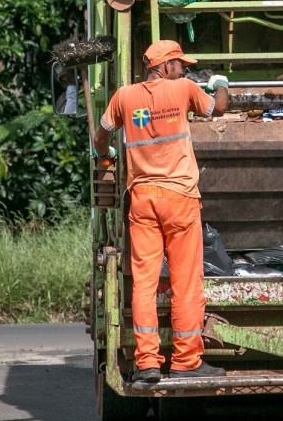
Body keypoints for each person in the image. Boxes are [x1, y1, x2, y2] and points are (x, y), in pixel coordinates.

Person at [93, 39, 230, 384]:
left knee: (144, 283)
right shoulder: (183, 88)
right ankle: (186, 361)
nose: (184, 70)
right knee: (186, 282)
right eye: (180, 64)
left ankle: (147, 363)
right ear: (165, 66)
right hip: (180, 199)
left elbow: (101, 135)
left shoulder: (123, 96)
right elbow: (220, 109)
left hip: (142, 199)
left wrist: (106, 157)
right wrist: (220, 84)